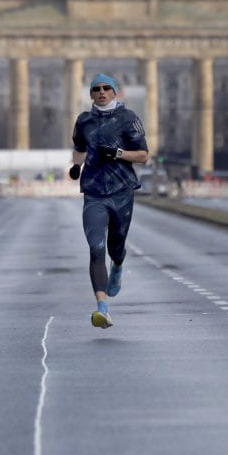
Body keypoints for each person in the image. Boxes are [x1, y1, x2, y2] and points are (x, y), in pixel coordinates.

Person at [68, 73, 150, 329]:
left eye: (106, 88)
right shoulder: (84, 121)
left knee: (116, 246)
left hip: (121, 191)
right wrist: (76, 166)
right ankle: (101, 307)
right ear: (91, 94)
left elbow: (144, 155)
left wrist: (118, 153)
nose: (102, 92)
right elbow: (80, 147)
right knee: (95, 248)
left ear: (115, 92)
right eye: (96, 89)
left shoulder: (129, 118)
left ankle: (119, 264)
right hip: (93, 192)